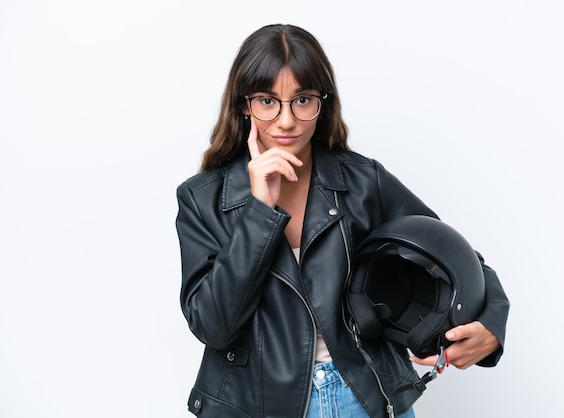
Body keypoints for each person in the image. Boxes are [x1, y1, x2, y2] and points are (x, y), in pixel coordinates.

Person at [175, 23, 509, 418]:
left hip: (365, 397)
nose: (285, 120)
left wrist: (491, 324)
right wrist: (259, 211)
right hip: (261, 408)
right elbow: (212, 326)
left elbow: (458, 257)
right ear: (244, 104)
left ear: (323, 102)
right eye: (268, 101)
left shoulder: (362, 181)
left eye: (302, 100)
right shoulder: (203, 199)